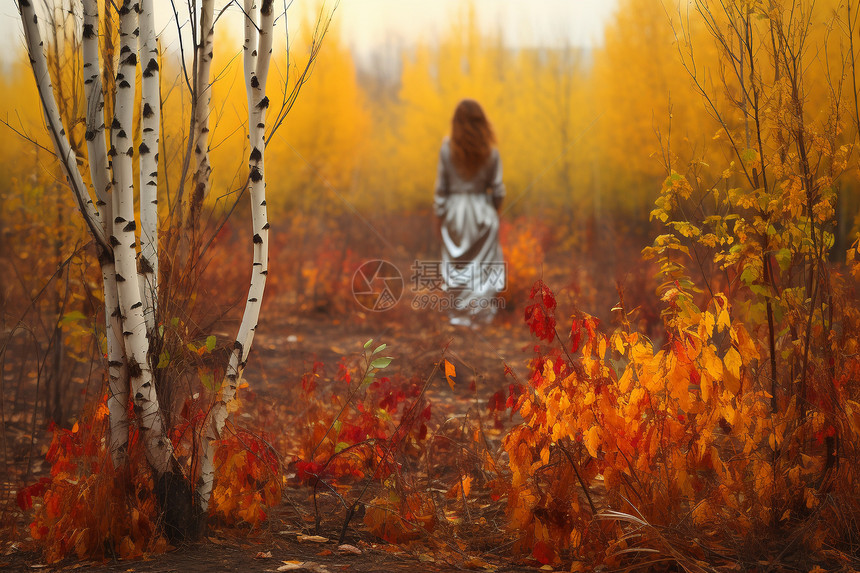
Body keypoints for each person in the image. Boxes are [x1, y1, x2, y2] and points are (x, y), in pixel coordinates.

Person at [433, 99, 506, 327]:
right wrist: (492, 211)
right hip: (483, 212)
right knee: (483, 269)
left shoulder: (447, 149)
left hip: (455, 212)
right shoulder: (491, 152)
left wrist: (441, 213)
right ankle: (481, 315)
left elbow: (440, 189)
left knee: (457, 266)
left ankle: (458, 316)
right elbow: (498, 190)